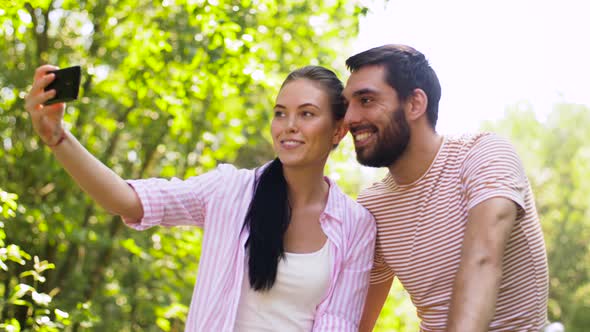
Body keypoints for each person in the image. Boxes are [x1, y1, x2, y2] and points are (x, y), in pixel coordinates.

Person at [25, 64, 376, 331]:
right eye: (280, 113)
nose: (289, 125)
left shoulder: (356, 226)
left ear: (338, 130)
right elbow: (127, 201)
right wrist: (59, 139)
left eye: (307, 114)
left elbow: (338, 324)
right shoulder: (229, 191)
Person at [341, 44, 549, 331]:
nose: (349, 118)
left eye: (366, 100)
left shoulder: (483, 155)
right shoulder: (372, 206)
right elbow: (356, 320)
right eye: (347, 105)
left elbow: (483, 260)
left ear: (415, 104)